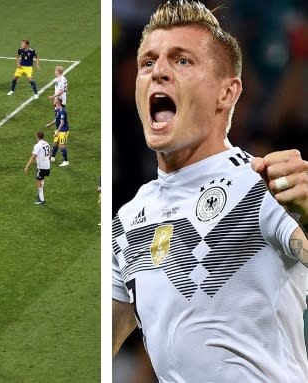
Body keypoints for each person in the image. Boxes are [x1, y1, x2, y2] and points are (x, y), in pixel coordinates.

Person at [112, 1, 308, 382]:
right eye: (148, 63)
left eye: (182, 60)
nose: (159, 73)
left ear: (227, 93)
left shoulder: (262, 185)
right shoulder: (129, 218)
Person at [24, 131, 51, 205]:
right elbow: (50, 154)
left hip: (41, 166)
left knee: (38, 181)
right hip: (47, 165)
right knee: (41, 179)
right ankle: (40, 194)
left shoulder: (37, 145)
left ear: (37, 136)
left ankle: (41, 200)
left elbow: (33, 157)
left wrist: (27, 166)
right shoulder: (47, 143)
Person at [45, 97, 70, 166]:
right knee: (55, 143)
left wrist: (57, 132)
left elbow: (62, 123)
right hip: (59, 130)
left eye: (55, 100)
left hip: (63, 130)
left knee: (61, 145)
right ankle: (52, 157)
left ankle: (66, 161)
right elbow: (57, 119)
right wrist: (50, 124)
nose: (54, 101)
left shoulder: (62, 111)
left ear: (58, 102)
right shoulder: (57, 110)